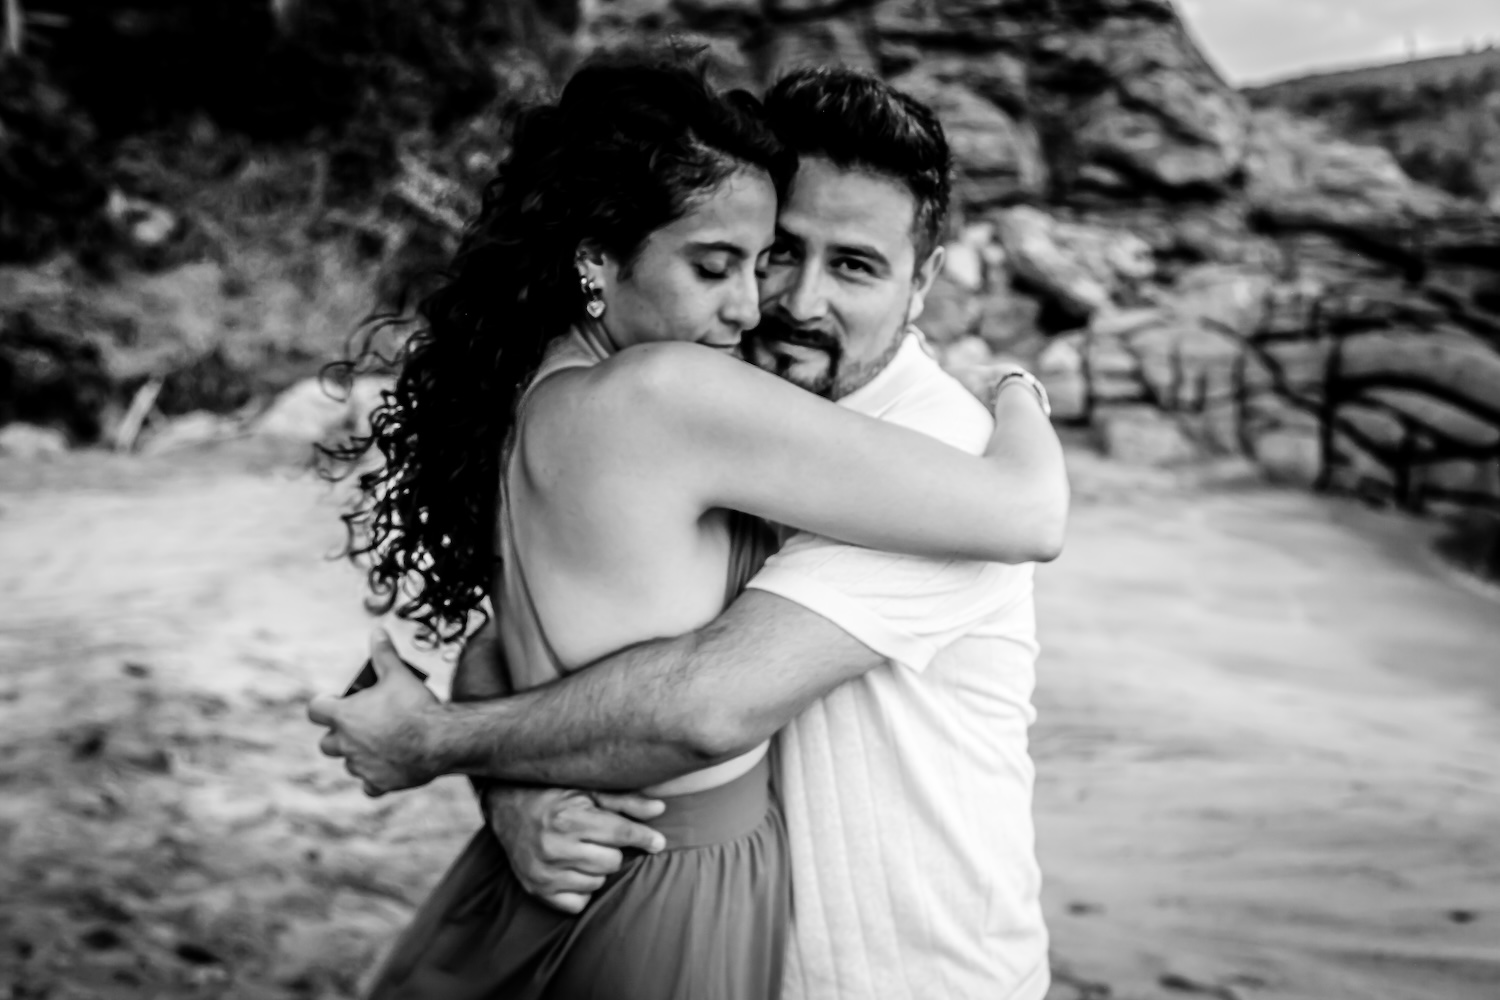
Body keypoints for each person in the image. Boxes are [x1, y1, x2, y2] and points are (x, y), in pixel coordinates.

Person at [311, 58, 1066, 1000]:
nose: (788, 303)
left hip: (902, 977)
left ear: (924, 282)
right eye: (772, 253)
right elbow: (502, 651)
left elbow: (703, 704)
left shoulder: (942, 447)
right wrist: (516, 796)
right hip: (706, 922)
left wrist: (441, 742)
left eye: (855, 265)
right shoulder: (699, 397)